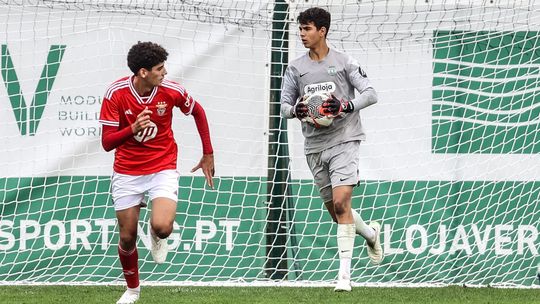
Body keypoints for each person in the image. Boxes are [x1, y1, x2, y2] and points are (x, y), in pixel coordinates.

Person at [99, 41, 215, 304]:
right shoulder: (115, 93)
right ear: (142, 72)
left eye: (164, 67)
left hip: (162, 166)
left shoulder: (171, 91)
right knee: (127, 237)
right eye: (159, 69)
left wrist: (208, 152)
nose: (164, 73)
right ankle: (132, 291)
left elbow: (198, 111)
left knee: (162, 227)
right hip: (127, 171)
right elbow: (107, 143)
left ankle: (156, 235)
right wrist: (132, 129)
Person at [280, 7, 383, 292]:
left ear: (322, 31)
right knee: (337, 213)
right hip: (314, 145)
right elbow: (285, 106)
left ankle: (344, 278)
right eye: (300, 28)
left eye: (307, 29)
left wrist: (345, 105)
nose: (302, 34)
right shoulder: (295, 68)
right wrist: (298, 110)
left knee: (341, 204)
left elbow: (371, 93)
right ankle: (370, 234)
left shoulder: (344, 62)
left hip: (345, 139)